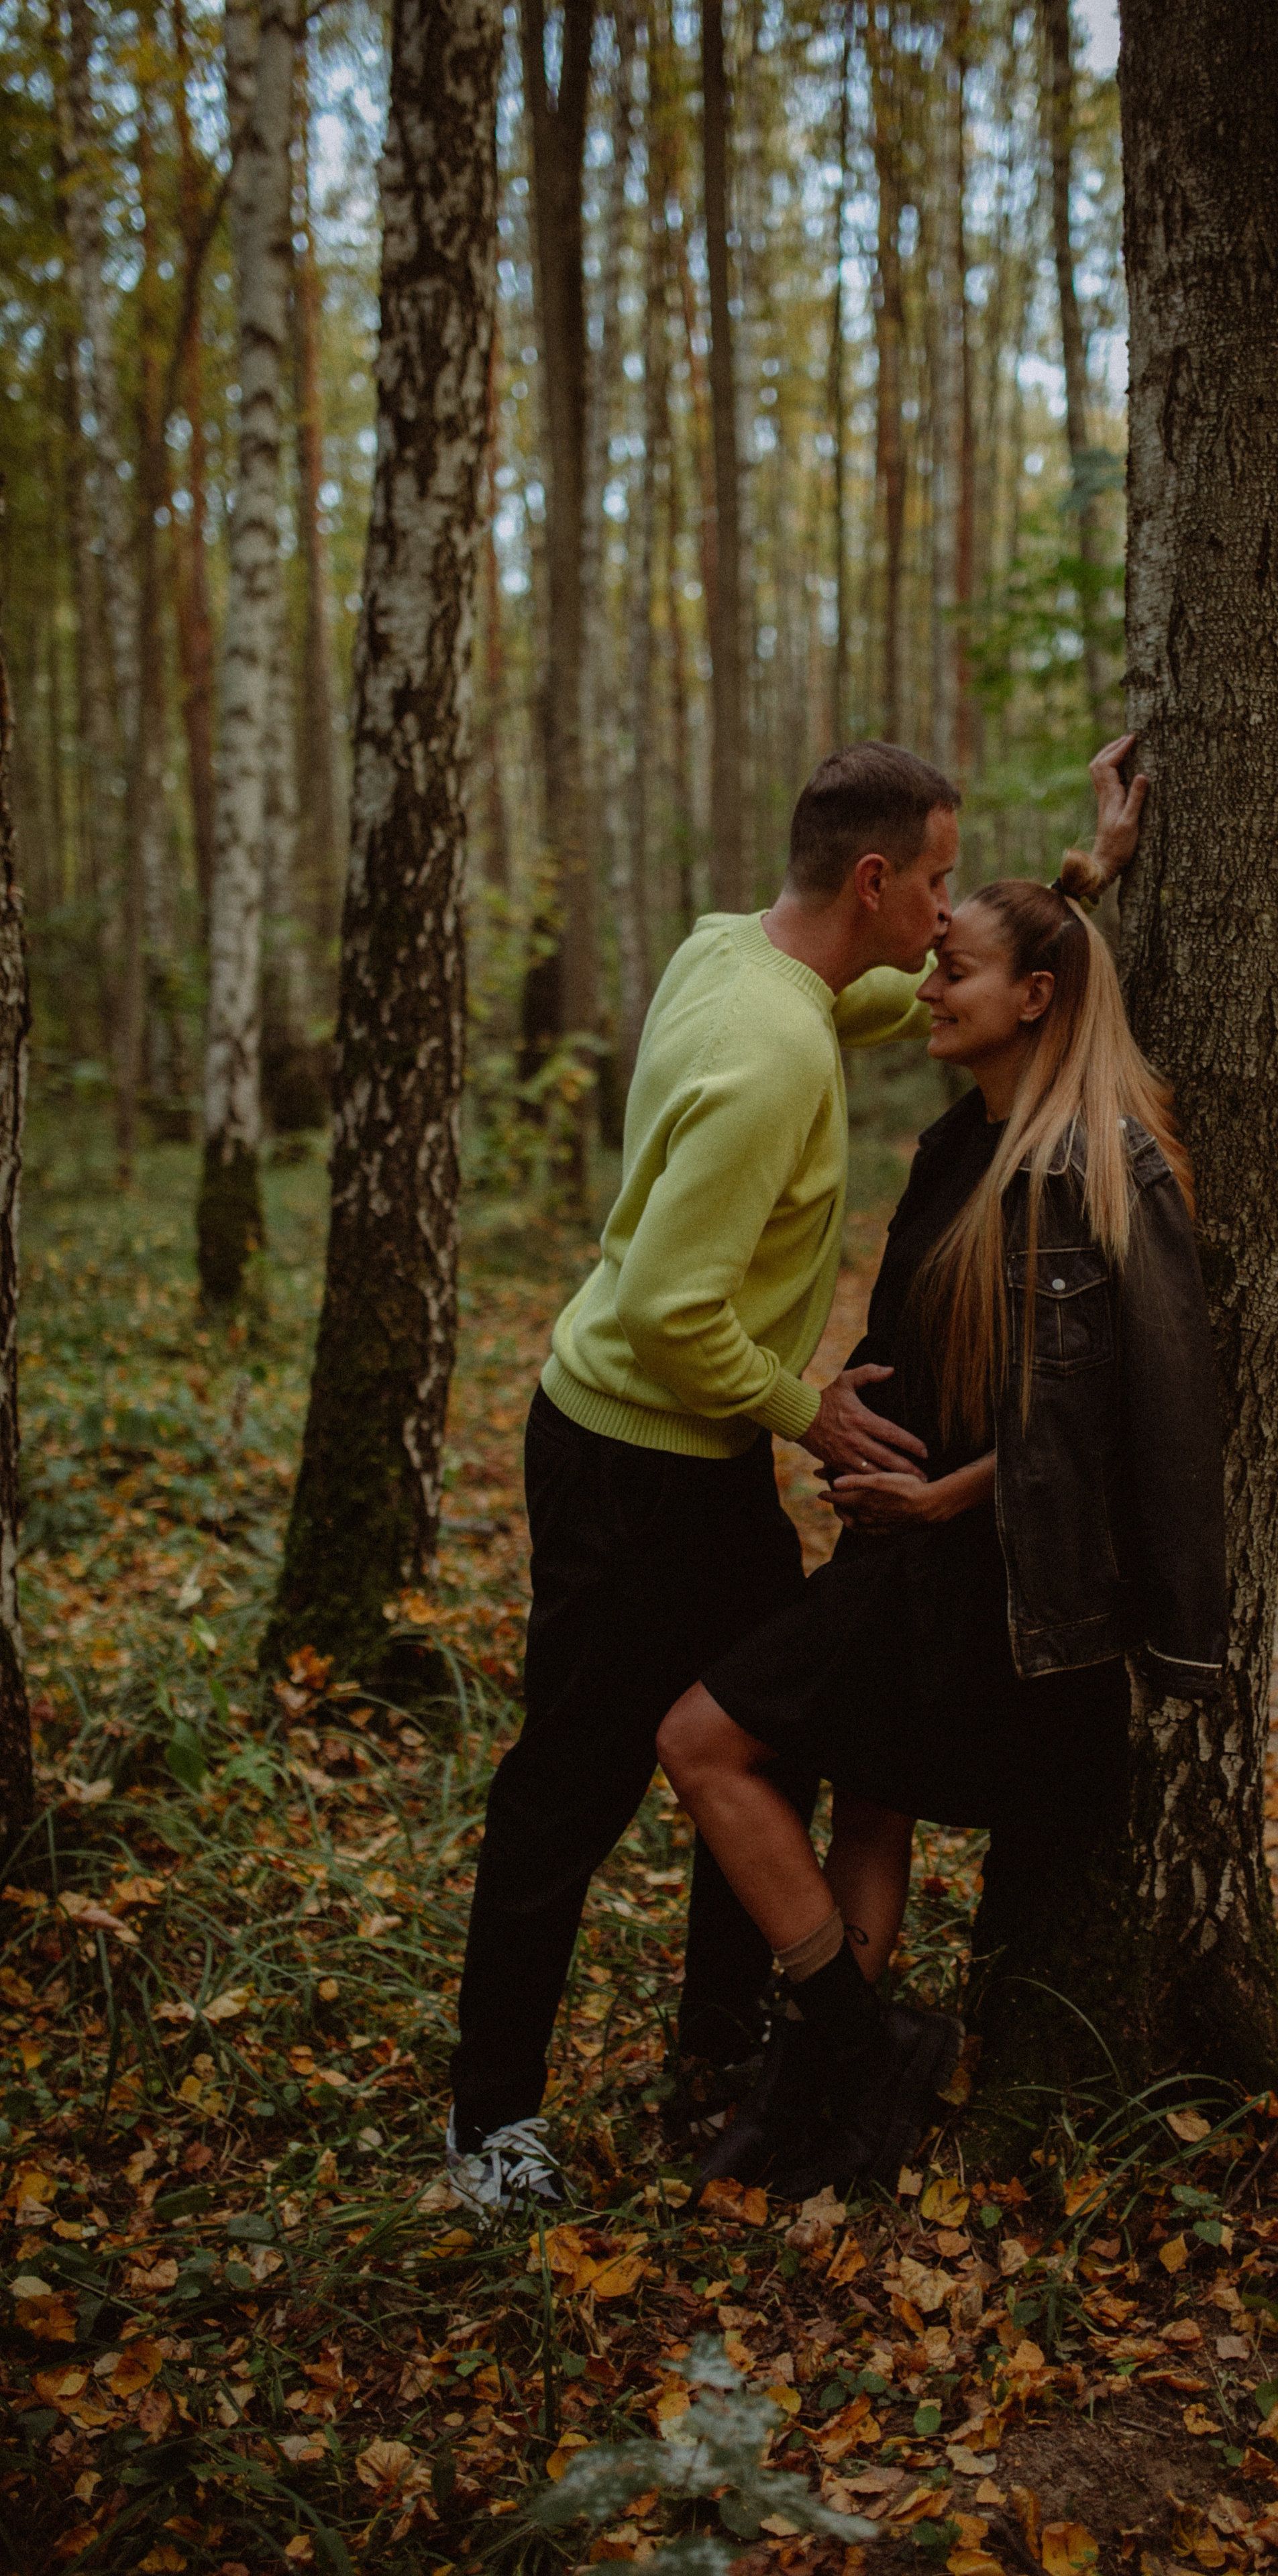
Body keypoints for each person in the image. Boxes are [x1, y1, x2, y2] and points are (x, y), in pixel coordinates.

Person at [445, 738, 1147, 2212]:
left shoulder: (739, 954)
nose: (951, 916)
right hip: (631, 1457)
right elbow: (667, 1315)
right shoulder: (769, 1056)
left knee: (760, 1736)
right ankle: (490, 2131)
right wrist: (808, 1411)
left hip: (691, 1462)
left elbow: (893, 995)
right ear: (879, 880)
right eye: (943, 883)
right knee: (569, 1786)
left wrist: (1069, 891)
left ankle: (723, 2045)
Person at [655, 857, 1228, 2200]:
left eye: (952, 970)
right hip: (902, 1540)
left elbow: (1104, 1422)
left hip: (994, 1571)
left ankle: (860, 2053)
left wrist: (932, 1498)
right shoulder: (955, 1142)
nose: (926, 984)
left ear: (1034, 997)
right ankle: (828, 2085)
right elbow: (931, 1336)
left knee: (700, 1741)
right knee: (868, 1804)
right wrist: (845, 1410)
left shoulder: (1106, 1167)